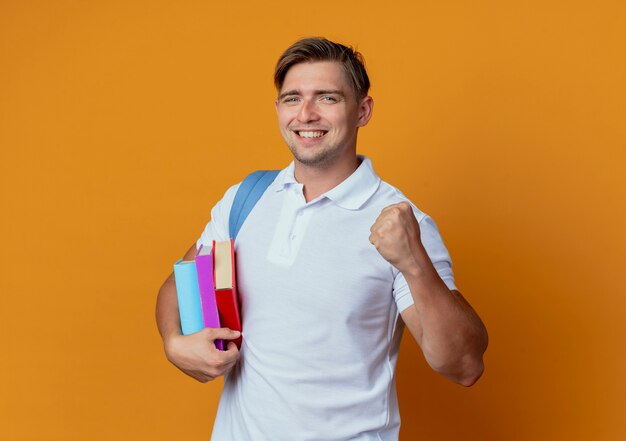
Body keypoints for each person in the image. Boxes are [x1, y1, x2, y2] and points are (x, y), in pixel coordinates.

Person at [156, 37, 488, 441]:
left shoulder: (400, 222)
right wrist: (174, 342)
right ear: (278, 109)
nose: (306, 114)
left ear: (362, 111)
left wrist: (415, 263)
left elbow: (463, 364)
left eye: (327, 98)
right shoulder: (246, 198)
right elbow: (180, 281)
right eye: (293, 98)